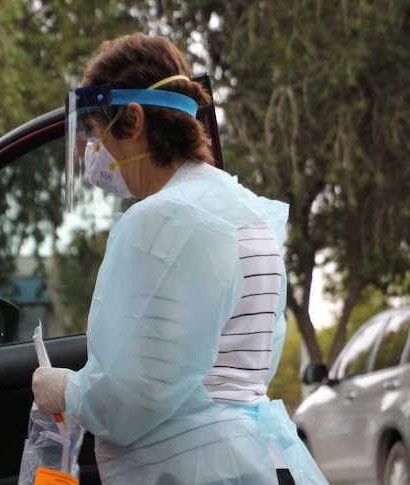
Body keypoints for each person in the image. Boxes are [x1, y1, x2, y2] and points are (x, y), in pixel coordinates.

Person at [32, 33, 327, 484]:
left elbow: (133, 397)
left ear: (132, 120)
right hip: (262, 460)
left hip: (192, 468)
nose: (92, 153)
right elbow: (233, 368)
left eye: (94, 133)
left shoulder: (160, 220)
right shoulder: (247, 210)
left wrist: (66, 392)